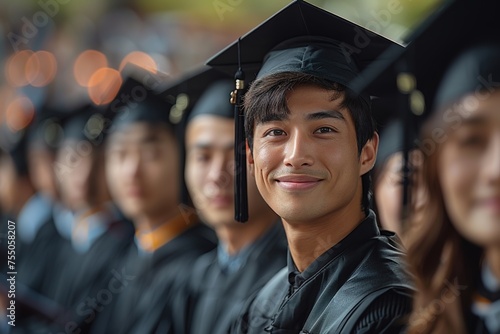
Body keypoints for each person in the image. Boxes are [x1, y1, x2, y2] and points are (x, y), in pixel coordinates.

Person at [207, 1, 414, 332]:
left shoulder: (389, 306)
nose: (295, 155)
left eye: (323, 130)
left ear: (367, 152)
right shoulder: (265, 300)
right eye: (276, 132)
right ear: (249, 154)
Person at [153, 67, 287, 334]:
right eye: (203, 157)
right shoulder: (194, 276)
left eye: (235, 155)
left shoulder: (289, 283)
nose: (217, 176)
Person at [90, 64, 216, 333]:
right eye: (121, 154)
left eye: (150, 153)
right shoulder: (123, 254)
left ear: (183, 156)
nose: (132, 171)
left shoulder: (198, 264)